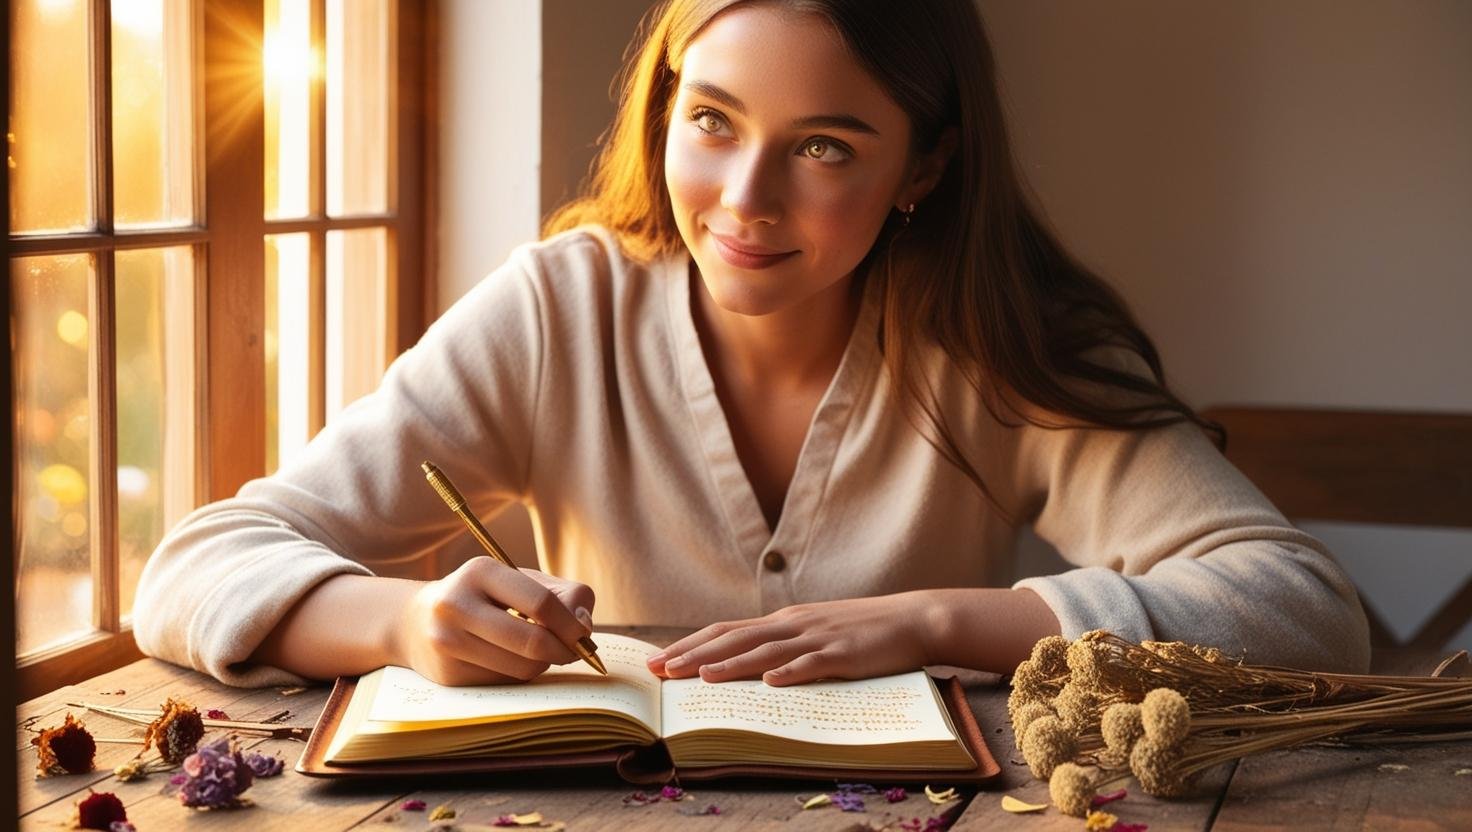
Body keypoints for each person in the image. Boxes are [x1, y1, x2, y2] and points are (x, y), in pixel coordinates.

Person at [134, 0, 1370, 689]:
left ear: (922, 169)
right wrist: (403, 621)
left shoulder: (996, 342)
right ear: (663, 103)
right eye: (711, 120)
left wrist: (939, 622)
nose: (743, 199)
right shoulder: (560, 312)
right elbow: (192, 568)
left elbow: (1302, 611)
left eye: (824, 145)